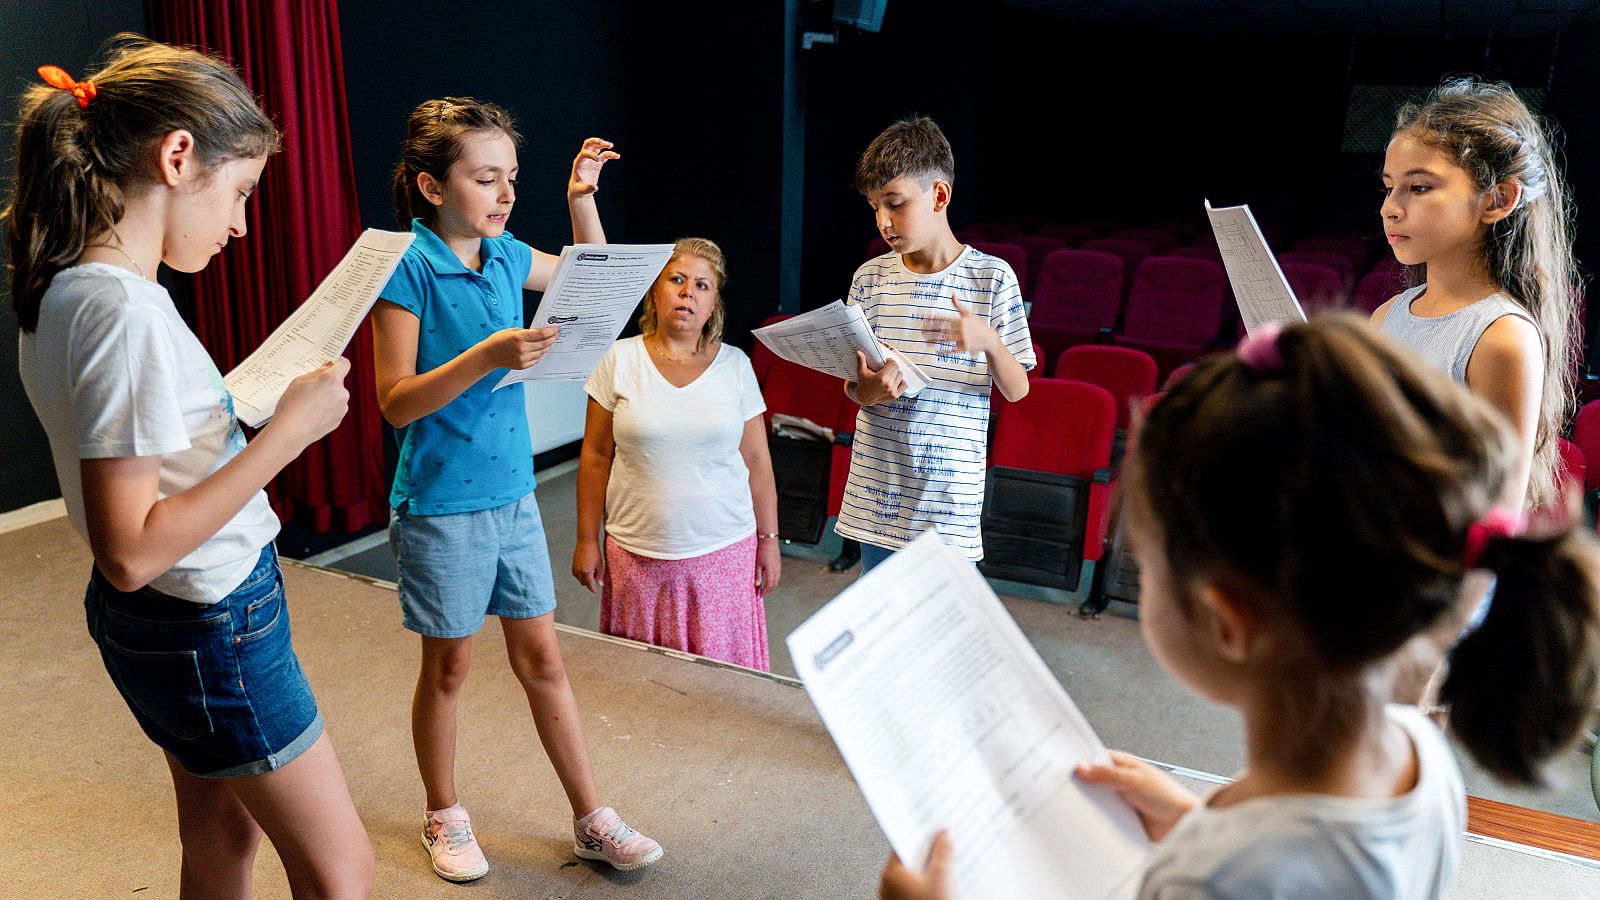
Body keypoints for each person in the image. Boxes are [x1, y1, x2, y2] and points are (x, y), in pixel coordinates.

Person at [882, 317, 1600, 899]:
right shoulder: (1419, 753)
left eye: (1149, 565)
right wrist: (1198, 821)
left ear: (1228, 620)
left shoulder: (1211, 881)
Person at [9, 38, 373, 897]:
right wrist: (290, 433)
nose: (241, 224)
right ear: (177, 157)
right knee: (343, 872)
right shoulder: (125, 313)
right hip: (212, 620)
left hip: (173, 622)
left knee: (221, 839)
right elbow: (131, 550)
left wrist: (233, 413)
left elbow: (141, 448)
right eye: (240, 191)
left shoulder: (68, 286)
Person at [372, 97, 660, 882]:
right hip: (442, 504)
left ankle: (592, 817)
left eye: (512, 178)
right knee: (449, 670)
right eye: (485, 179)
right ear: (432, 187)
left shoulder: (505, 254)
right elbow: (394, 401)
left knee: (544, 661)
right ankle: (443, 813)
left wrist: (580, 200)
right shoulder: (407, 268)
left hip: (513, 495)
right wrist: (488, 356)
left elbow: (596, 284)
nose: (504, 194)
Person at [1372, 78, 1580, 700]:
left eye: (1419, 187)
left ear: (1498, 199)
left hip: (1432, 595)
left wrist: (1438, 642)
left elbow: (1496, 521)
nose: (1391, 208)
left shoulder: (1502, 337)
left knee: (1393, 745)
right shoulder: (1388, 315)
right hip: (1367, 567)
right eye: (1388, 187)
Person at [836, 116, 1034, 572]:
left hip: (947, 504)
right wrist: (868, 392)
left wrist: (988, 342)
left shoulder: (991, 278)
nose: (883, 221)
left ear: (939, 196)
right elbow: (854, 384)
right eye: (874, 207)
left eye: (895, 203)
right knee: (879, 615)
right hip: (877, 493)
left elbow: (1017, 390)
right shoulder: (870, 277)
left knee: (941, 616)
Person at [572, 237, 780, 670]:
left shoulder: (735, 365)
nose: (688, 292)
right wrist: (586, 539)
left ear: (713, 304)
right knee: (642, 682)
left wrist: (769, 541)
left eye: (702, 285)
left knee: (722, 682)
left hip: (724, 551)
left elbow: (758, 462)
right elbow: (594, 457)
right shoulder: (619, 359)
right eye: (677, 280)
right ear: (655, 291)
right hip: (636, 553)